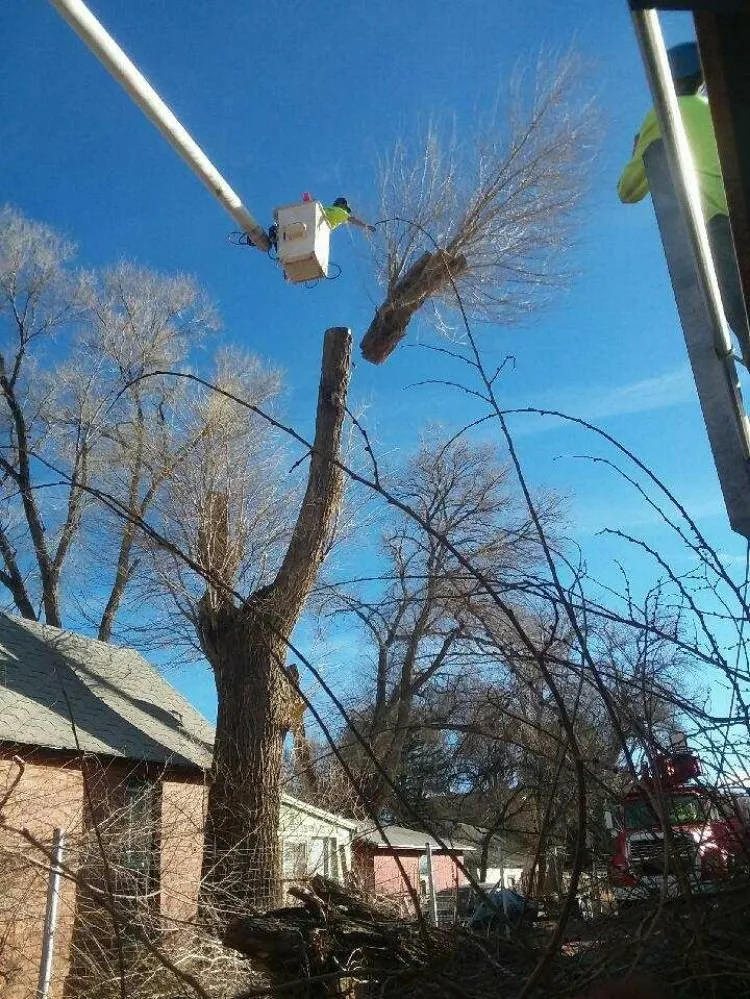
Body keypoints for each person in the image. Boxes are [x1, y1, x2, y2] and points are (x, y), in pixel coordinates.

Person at [618, 41, 748, 346]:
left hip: (717, 229)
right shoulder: (720, 109)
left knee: (743, 320)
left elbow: (628, 189)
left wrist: (638, 152)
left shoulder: (664, 116)